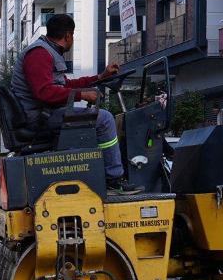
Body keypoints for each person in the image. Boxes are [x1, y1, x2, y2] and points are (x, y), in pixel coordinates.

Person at [11, 13, 140, 194]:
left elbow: (66, 85)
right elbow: (44, 92)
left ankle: (99, 172)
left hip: (46, 113)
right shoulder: (39, 54)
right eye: (73, 36)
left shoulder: (48, 52)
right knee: (104, 119)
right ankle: (114, 179)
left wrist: (100, 77)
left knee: (96, 118)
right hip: (41, 117)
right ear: (68, 35)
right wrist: (81, 95)